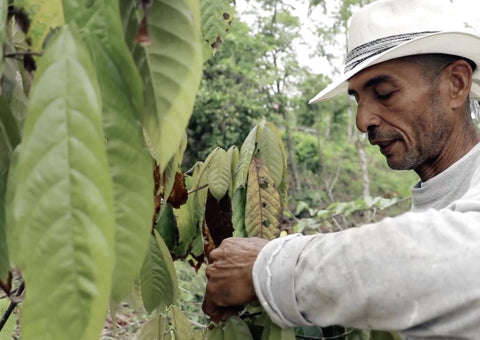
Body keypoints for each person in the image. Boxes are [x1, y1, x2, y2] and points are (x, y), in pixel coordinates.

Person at [202, 0, 480, 338]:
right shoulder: (437, 204)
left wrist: (267, 269)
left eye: (384, 92)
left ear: (456, 84)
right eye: (358, 99)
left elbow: (454, 262)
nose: (363, 121)